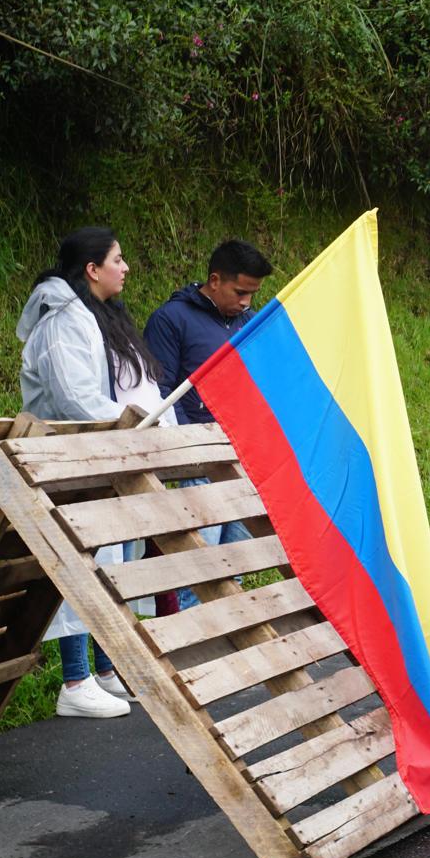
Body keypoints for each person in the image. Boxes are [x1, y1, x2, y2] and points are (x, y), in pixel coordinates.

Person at [18, 227, 176, 718]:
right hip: (67, 460)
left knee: (107, 567)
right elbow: (74, 398)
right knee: (79, 570)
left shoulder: (88, 314)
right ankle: (74, 681)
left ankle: (104, 671)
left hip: (94, 457)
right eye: (117, 259)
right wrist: (133, 425)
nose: (125, 267)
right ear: (92, 268)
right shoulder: (61, 320)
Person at [144, 239, 275, 610]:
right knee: (198, 573)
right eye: (240, 292)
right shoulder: (171, 319)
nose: (247, 301)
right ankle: (191, 641)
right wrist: (193, 446)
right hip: (198, 464)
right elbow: (160, 391)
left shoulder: (250, 324)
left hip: (246, 461)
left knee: (236, 567)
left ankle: (223, 639)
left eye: (253, 294)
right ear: (215, 280)